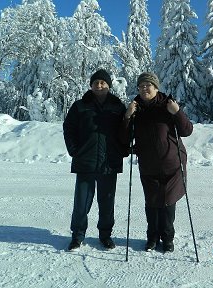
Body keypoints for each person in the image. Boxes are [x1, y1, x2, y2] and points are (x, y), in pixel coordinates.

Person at [123, 72, 193, 253]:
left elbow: (186, 130)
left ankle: (167, 238)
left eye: (148, 85)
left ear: (156, 87)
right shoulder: (135, 109)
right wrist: (127, 116)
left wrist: (177, 112)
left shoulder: (167, 105)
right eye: (141, 86)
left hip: (173, 164)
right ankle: (152, 237)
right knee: (152, 203)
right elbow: (124, 139)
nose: (144, 88)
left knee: (168, 202)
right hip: (148, 165)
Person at [63, 69, 126, 251]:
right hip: (86, 161)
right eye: (96, 82)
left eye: (103, 82)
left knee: (107, 203)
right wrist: (74, 150)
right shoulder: (80, 105)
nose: (99, 85)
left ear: (109, 85)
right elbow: (69, 128)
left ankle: (105, 236)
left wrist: (122, 150)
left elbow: (125, 130)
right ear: (91, 85)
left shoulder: (117, 106)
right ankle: (77, 236)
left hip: (109, 162)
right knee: (81, 203)